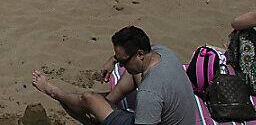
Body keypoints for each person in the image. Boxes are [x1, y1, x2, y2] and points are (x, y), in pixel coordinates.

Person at [32, 26, 197, 125]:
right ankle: (108, 103)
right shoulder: (162, 52)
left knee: (89, 98)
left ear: (139, 53)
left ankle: (54, 92)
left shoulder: (149, 93)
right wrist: (114, 60)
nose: (121, 65)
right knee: (133, 73)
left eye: (123, 61)